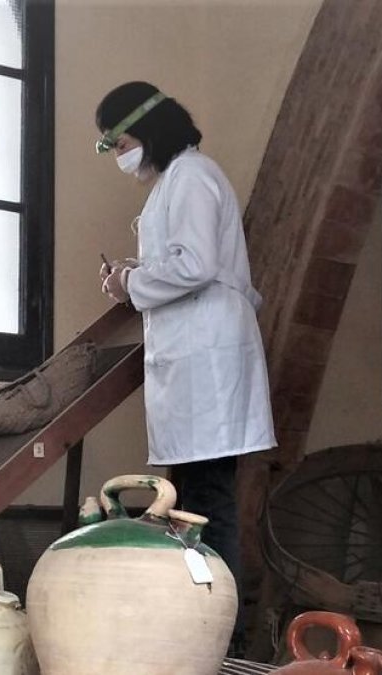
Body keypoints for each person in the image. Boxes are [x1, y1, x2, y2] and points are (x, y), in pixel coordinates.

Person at [94, 81, 276, 607]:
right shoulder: (176, 180)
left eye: (120, 144)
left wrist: (131, 283)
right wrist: (136, 275)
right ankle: (210, 623)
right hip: (194, 355)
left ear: (147, 128)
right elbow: (186, 261)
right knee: (199, 498)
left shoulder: (193, 175)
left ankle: (224, 631)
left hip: (208, 359)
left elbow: (195, 266)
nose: (119, 156)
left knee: (208, 504)